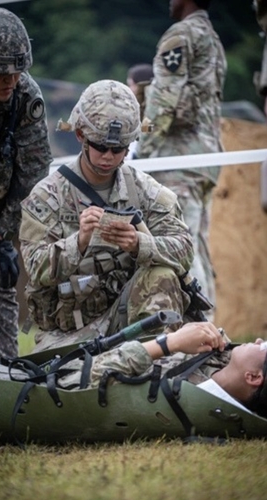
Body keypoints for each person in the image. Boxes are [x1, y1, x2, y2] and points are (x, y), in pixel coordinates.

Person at [20, 79, 193, 353]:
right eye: (100, 146)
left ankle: (157, 360)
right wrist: (79, 242)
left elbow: (184, 249)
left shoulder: (145, 191)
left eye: (119, 149)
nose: (108, 157)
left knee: (162, 274)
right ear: (80, 136)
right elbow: (34, 267)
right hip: (66, 336)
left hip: (127, 322)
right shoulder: (47, 196)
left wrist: (140, 244)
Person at [0, 7, 52, 359]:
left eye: (18, 72)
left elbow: (34, 173)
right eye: (3, 74)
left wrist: (3, 234)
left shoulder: (25, 96)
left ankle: (4, 374)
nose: (12, 81)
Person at [0, 323, 267, 420]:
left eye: (263, 346)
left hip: (28, 388)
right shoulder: (219, 361)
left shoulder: (194, 401)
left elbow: (79, 388)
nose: (256, 339)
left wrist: (169, 343)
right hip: (40, 369)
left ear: (253, 377)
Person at [138, 0, 226, 323]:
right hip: (205, 158)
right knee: (198, 244)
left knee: (182, 243)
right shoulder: (213, 39)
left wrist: (141, 153)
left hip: (178, 158)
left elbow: (163, 101)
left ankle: (202, 327)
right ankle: (210, 328)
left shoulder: (181, 35)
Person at [125, 63, 154, 161]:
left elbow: (146, 135)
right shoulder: (136, 109)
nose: (129, 89)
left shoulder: (149, 113)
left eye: (131, 85)